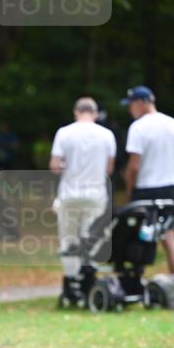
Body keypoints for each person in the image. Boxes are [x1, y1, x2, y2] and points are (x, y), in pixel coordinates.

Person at [49, 97, 116, 301]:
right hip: (96, 194)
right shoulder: (107, 135)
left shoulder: (64, 133)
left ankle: (71, 283)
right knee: (92, 238)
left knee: (69, 239)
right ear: (95, 113)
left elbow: (55, 165)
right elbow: (109, 169)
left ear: (75, 112)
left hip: (70, 194)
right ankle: (88, 279)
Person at [122, 85, 174, 284]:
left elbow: (134, 166)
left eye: (131, 105)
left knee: (138, 233)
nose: (129, 110)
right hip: (168, 188)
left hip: (144, 188)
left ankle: (135, 280)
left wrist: (129, 189)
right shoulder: (173, 124)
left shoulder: (138, 127)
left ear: (141, 103)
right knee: (168, 234)